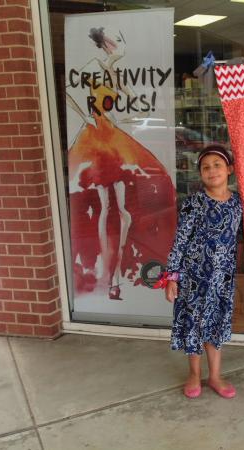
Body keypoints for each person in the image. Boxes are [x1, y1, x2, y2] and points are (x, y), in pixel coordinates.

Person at [67, 27, 176, 299]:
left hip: (111, 136)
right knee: (108, 208)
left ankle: (114, 275)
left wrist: (137, 109)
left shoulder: (110, 72)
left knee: (122, 210)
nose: (119, 49)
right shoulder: (92, 68)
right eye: (117, 44)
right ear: (106, 44)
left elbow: (130, 99)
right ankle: (110, 278)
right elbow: (70, 94)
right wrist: (86, 116)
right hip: (97, 139)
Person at [162, 146, 243, 399]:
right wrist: (172, 277)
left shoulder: (239, 202)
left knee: (215, 326)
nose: (211, 170)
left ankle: (215, 376)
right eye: (205, 167)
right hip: (193, 279)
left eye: (217, 165)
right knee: (194, 325)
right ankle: (195, 374)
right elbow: (180, 240)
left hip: (222, 279)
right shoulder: (194, 203)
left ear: (229, 169)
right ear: (200, 174)